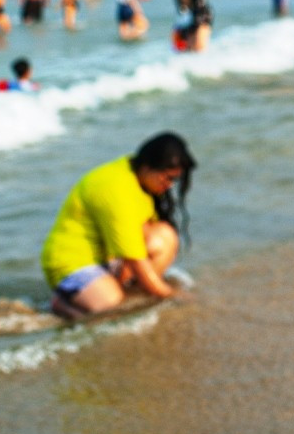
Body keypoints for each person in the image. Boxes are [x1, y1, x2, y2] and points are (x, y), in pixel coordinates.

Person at [40, 132, 195, 317]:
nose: (170, 185)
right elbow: (134, 259)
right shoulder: (116, 189)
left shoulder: (140, 178)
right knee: (112, 308)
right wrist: (170, 295)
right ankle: (62, 305)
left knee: (165, 236)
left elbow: (142, 234)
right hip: (71, 263)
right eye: (168, 178)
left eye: (174, 180)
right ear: (147, 167)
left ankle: (113, 291)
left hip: (108, 258)